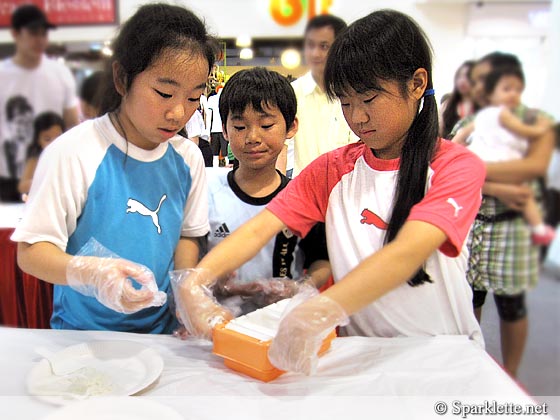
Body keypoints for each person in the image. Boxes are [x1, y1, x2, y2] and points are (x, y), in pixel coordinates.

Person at [174, 9, 485, 374]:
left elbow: (405, 254)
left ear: (416, 84)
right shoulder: (333, 170)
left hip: (442, 356)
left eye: (368, 100)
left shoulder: (455, 167)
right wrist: (194, 283)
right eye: (347, 103)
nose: (358, 117)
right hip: (358, 358)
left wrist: (321, 307)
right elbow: (258, 230)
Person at [11, 3, 217, 333]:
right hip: (83, 335)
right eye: (164, 93)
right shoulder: (74, 151)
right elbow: (32, 251)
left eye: (194, 97)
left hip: (161, 334)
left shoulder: (187, 158)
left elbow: (188, 235)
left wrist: (186, 292)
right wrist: (90, 273)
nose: (179, 113)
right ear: (122, 79)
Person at [449, 52, 555, 378]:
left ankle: (511, 374)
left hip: (513, 228)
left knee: (512, 306)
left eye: (484, 79)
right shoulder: (470, 123)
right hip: (475, 226)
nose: (476, 86)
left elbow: (533, 166)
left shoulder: (537, 121)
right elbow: (450, 167)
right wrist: (499, 185)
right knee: (470, 302)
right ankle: (472, 368)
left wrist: (478, 172)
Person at [203, 67, 330, 315]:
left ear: (291, 127)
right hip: (219, 325)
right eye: (240, 127)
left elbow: (321, 261)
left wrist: (300, 288)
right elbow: (190, 260)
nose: (253, 137)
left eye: (266, 125)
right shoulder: (207, 192)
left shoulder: (301, 197)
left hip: (279, 322)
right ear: (225, 131)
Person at [453, 66, 554, 245]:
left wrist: (458, 147)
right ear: (491, 94)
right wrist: (540, 129)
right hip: (494, 158)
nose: (513, 94)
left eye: (517, 90)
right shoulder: (503, 114)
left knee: (513, 191)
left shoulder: (481, 116)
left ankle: (538, 228)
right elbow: (524, 130)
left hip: (478, 158)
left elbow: (461, 135)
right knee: (525, 195)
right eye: (507, 89)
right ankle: (539, 228)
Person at [0, 4, 79, 202]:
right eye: (33, 32)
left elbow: (73, 126)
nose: (40, 39)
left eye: (44, 33)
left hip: (50, 174)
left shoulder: (60, 74)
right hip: (7, 175)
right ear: (16, 34)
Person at [278, 14, 358, 178]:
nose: (315, 54)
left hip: (348, 188)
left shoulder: (356, 92)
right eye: (310, 45)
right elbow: (281, 150)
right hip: (307, 189)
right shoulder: (293, 92)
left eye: (324, 46)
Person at [18, 111, 65, 195]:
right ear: (38, 140)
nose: (54, 143)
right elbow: (22, 187)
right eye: (47, 139)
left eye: (58, 137)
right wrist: (40, 181)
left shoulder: (67, 157)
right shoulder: (35, 159)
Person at [440, 60, 475, 139]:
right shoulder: (448, 103)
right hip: (450, 148)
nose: (462, 80)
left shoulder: (485, 107)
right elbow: (438, 134)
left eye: (468, 76)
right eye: (460, 76)